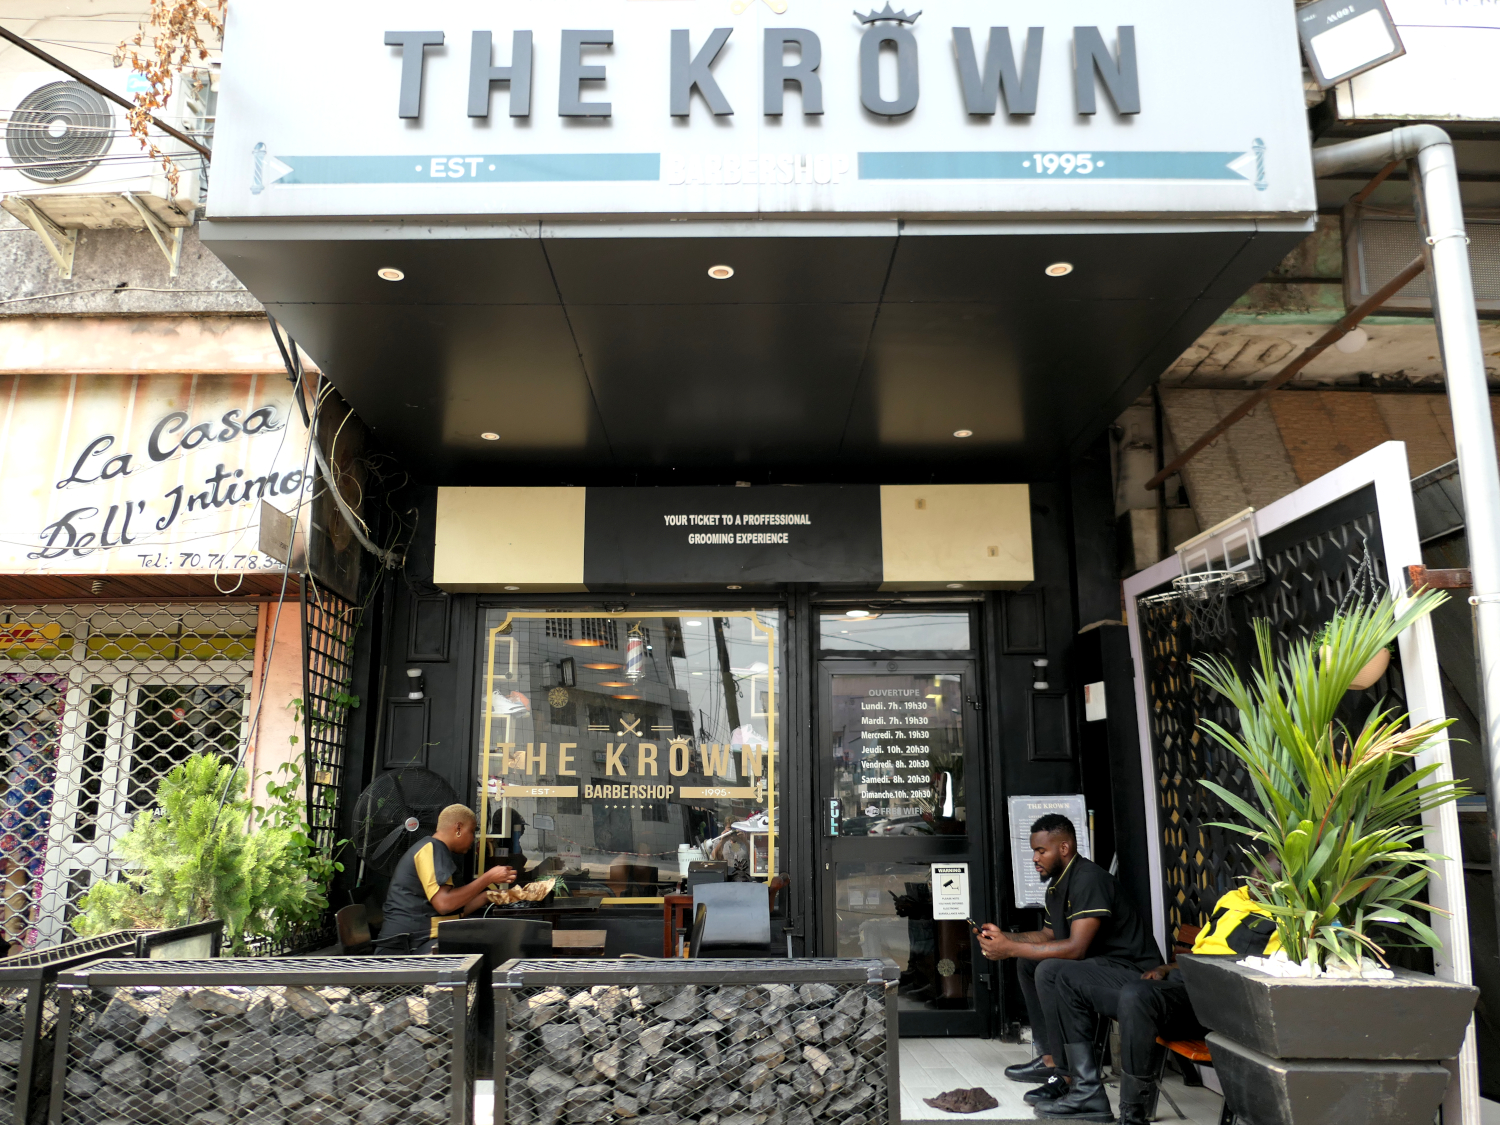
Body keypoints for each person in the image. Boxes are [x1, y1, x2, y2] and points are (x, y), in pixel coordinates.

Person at [978, 814, 1161, 1122]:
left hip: (1134, 979)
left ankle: (1080, 1086)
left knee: (1051, 970)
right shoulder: (1057, 887)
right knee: (1028, 961)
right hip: (1100, 971)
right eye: (1034, 851)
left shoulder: (1088, 879)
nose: (1035, 858)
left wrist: (1009, 947)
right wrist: (1006, 940)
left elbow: (1075, 948)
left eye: (1041, 851)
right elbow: (1049, 937)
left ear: (1064, 847)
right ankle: (1052, 1060)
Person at [1060, 884, 1279, 1125]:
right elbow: (1200, 954)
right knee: (1068, 977)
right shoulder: (1233, 898)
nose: (1258, 881)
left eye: (1267, 877)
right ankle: (1086, 1091)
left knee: (1138, 996)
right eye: (1256, 872)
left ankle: (1132, 1115)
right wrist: (1164, 968)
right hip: (1182, 982)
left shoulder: (1290, 918)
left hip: (1216, 1004)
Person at [379, 803, 517, 952]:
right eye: (471, 831)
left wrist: (487, 896)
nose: (473, 838)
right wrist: (488, 878)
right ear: (458, 828)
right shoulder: (431, 848)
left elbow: (455, 910)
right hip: (405, 947)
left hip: (420, 940)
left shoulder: (437, 850)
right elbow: (445, 905)